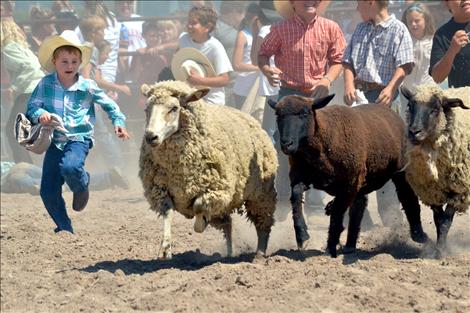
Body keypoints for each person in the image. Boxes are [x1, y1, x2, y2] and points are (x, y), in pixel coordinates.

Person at [26, 30, 130, 234]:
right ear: (54, 61)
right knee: (47, 190)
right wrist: (40, 114)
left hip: (78, 139)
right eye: (64, 61)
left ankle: (82, 185)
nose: (70, 66)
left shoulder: (87, 86)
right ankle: (64, 227)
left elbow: (109, 104)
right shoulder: (45, 84)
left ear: (80, 63)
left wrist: (118, 122)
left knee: (71, 166)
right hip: (55, 140)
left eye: (74, 61)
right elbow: (32, 107)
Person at [258, 0, 345, 211]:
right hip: (289, 94)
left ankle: (316, 198)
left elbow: (338, 60)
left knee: (321, 145)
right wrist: (267, 71)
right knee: (284, 145)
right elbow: (262, 54)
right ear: (293, 3)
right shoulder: (280, 29)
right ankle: (283, 196)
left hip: (317, 95)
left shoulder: (331, 27)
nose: (310, 1)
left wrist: (327, 79)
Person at [343, 0, 415, 227]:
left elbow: (405, 65)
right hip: (359, 98)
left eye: (359, 3)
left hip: (383, 99)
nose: (357, 8)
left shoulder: (398, 29)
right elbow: (347, 62)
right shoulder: (361, 28)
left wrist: (391, 88)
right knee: (354, 160)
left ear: (371, 2)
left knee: (387, 161)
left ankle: (392, 220)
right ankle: (360, 216)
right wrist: (347, 84)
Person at [1, 19, 45, 164]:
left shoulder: (9, 49)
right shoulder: (23, 48)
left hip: (29, 91)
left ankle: (26, 168)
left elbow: (29, 67)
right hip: (38, 90)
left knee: (12, 131)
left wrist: (15, 87)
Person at [178, 5, 233, 105]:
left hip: (211, 102)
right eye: (188, 22)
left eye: (194, 23)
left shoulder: (215, 47)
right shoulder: (183, 39)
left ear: (207, 27)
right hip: (188, 98)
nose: (189, 26)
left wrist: (200, 80)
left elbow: (224, 79)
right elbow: (178, 59)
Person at [231, 3, 269, 110]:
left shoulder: (265, 33)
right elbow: (237, 65)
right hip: (243, 89)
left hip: (258, 88)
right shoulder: (243, 35)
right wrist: (261, 67)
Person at [429, 0, 470, 88]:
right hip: (462, 99)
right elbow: (437, 77)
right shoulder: (442, 34)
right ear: (447, 4)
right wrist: (452, 50)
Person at [401, 2, 437, 92]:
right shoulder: (403, 40)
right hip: (407, 90)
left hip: (428, 88)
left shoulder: (434, 40)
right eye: (410, 21)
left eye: (417, 21)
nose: (413, 24)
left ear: (426, 20)